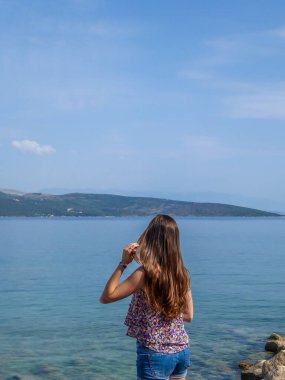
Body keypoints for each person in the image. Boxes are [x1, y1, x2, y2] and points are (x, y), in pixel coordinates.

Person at [100, 214, 194, 380]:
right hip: (181, 351)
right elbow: (189, 316)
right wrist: (167, 311)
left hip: (155, 353)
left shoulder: (145, 274)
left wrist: (123, 264)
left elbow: (107, 297)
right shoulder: (182, 274)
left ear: (151, 238)